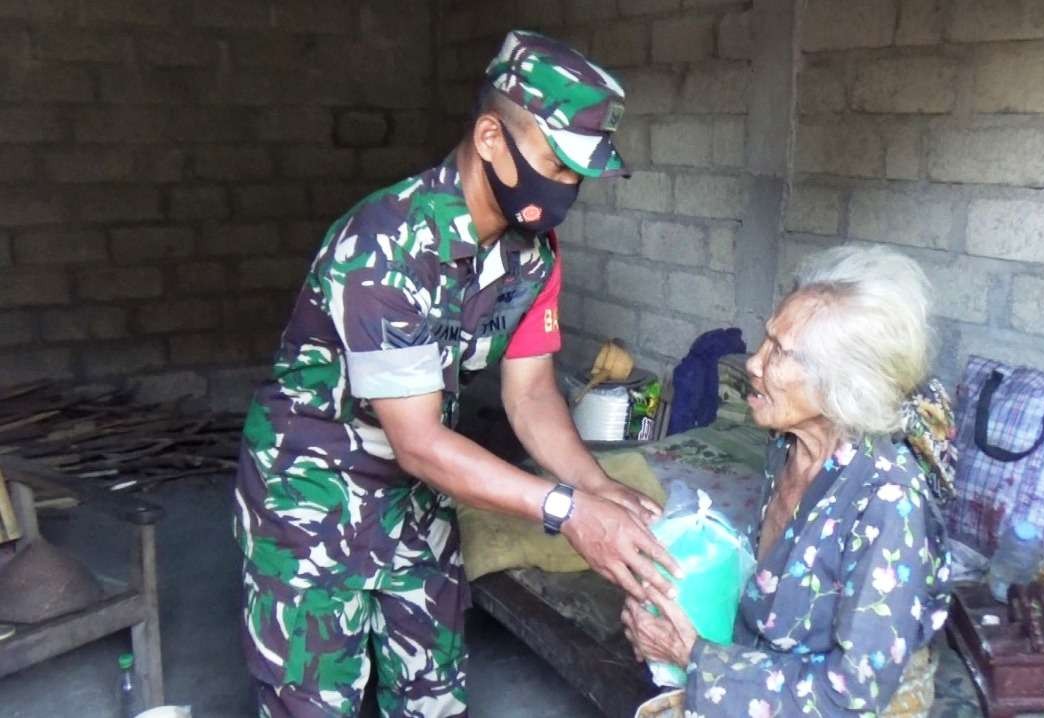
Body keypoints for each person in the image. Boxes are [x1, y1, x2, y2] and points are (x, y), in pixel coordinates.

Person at [234, 30, 679, 718]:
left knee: (432, 696)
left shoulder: (533, 255)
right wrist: (566, 511)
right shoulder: (385, 243)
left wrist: (597, 486)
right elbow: (415, 438)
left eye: (578, 176)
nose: (565, 190)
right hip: (311, 494)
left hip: (417, 495)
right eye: (554, 165)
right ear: (491, 138)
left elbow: (529, 391)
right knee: (314, 699)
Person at [622, 245, 954, 717]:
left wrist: (694, 657)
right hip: (771, 672)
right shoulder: (787, 445)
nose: (753, 363)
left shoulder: (888, 501)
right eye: (766, 339)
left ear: (842, 383)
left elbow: (851, 697)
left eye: (779, 352)